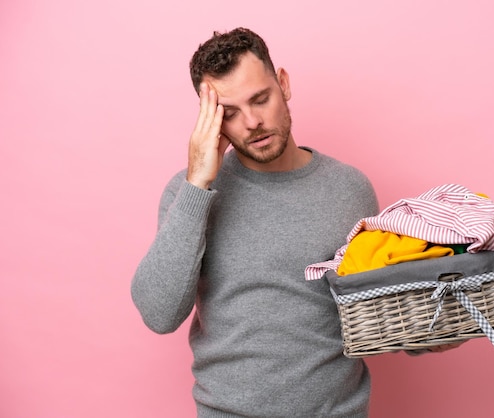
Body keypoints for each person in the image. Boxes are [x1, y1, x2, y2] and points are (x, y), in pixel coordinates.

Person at [131, 27, 380, 417]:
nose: (251, 122)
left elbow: (372, 309)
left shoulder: (350, 189)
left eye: (260, 99)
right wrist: (198, 182)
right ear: (210, 120)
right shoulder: (187, 194)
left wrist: (428, 336)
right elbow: (159, 314)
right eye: (229, 113)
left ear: (283, 83)